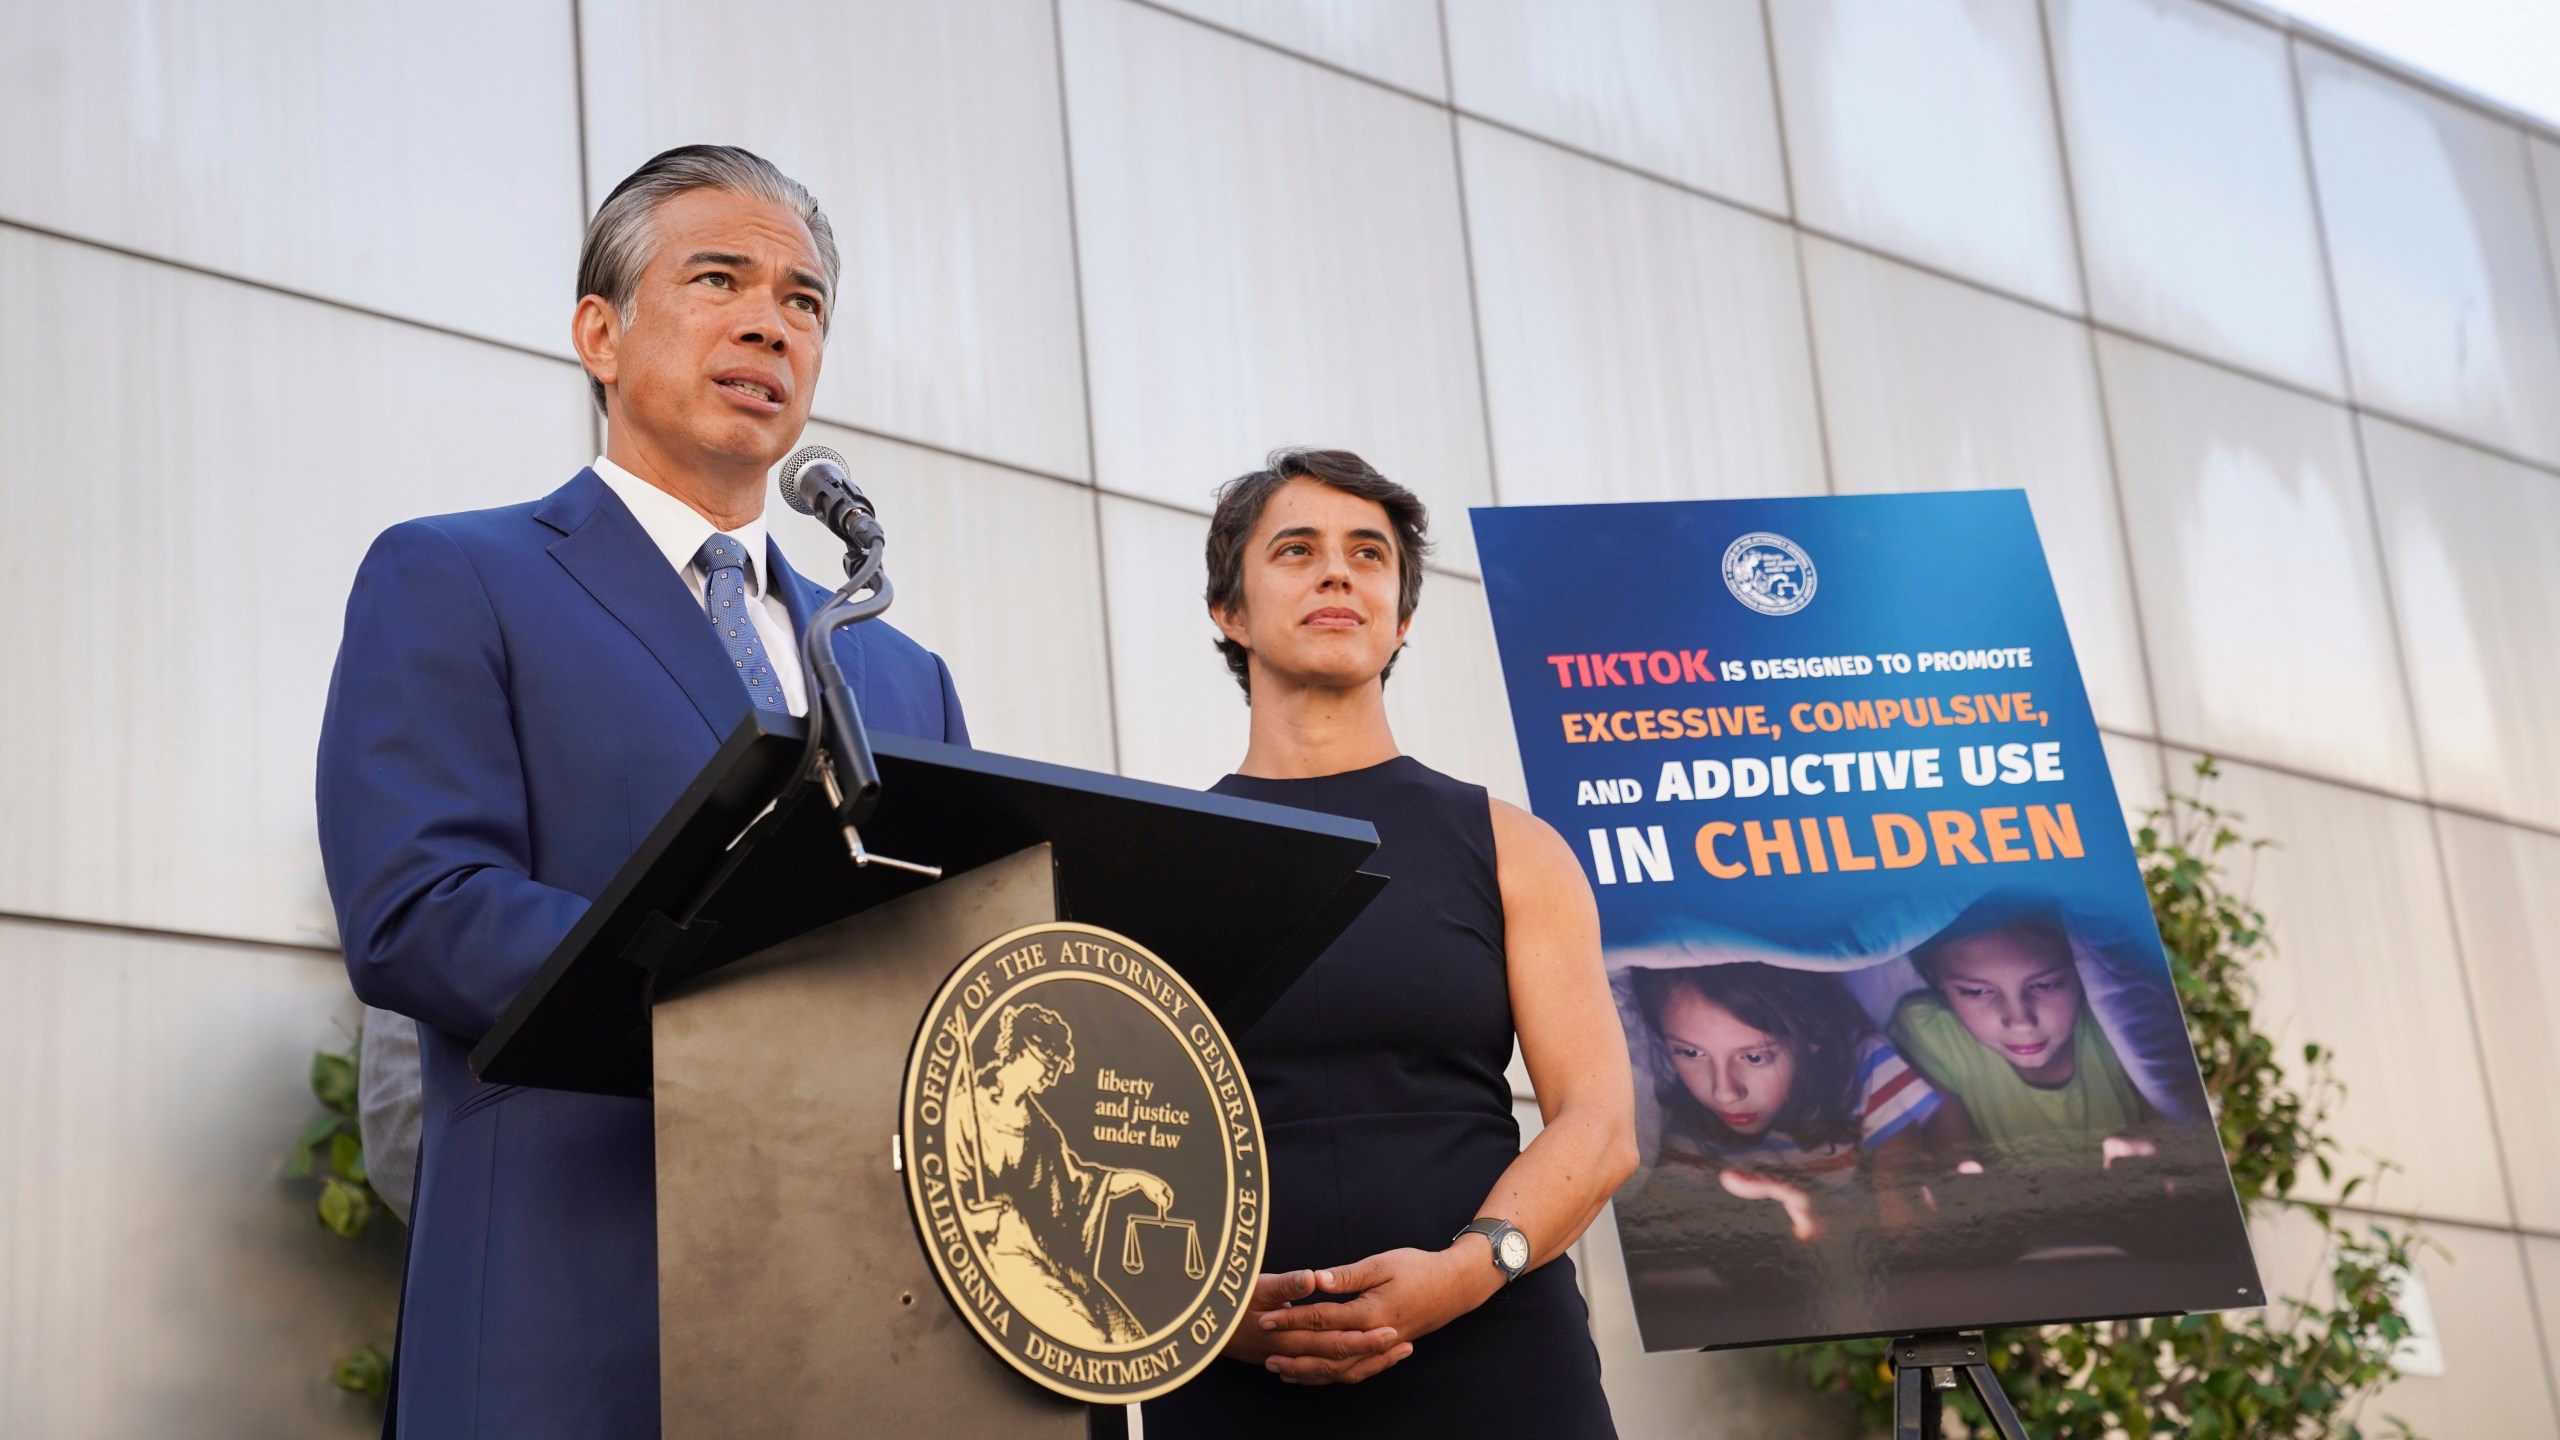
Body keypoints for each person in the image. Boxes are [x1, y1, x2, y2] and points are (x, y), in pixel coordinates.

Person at [316, 145, 968, 1438]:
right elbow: (422, 909)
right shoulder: (456, 577)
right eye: (718, 279)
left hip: (866, 1339)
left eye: (802, 300)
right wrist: (745, 989)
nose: (769, 323)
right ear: (599, 335)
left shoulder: (901, 673)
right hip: (571, 1315)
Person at [1143, 449, 1638, 1439]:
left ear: (1401, 616)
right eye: (1297, 550)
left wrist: (1468, 1270)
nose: (1338, 572)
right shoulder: (1149, 861)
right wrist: (1205, 1316)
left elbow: (1599, 1125)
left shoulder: (1514, 848)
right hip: (1231, 1370)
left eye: (1368, 554)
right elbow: (1091, 1139)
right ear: (1229, 611)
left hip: (1496, 1354)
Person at [1633, 963, 1959, 1242]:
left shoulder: (1861, 1061)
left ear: (1812, 1035)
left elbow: (1898, 1179)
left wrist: (1891, 1206)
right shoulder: (1679, 1124)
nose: (1724, 1092)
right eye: (1690, 1053)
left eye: (1755, 1057)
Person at [945, 1001, 1176, 1346]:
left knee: (1129, 1339)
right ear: (1024, 1048)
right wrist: (988, 1219)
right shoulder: (966, 1110)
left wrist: (1136, 1181)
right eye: (1048, 1061)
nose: (1053, 1074)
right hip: (1002, 1258)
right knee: (1090, 1339)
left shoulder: (1041, 1130)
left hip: (1052, 1256)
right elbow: (944, 1204)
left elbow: (1077, 1185)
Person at [1888, 895, 2151, 1169]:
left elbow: (2166, 1131)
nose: (2020, 1022)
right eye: (1976, 991)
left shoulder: (2122, 1018)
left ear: (2083, 970)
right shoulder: (1933, 1035)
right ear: (1938, 982)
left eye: (2046, 985)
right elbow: (1956, 1159)